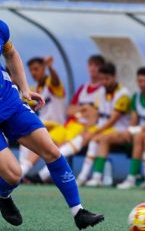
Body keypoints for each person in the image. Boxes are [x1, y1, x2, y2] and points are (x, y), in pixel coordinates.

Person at [0, 19, 103, 229]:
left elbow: (10, 54)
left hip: (10, 101)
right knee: (14, 176)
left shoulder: (1, 28)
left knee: (52, 151)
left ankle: (78, 212)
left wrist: (25, 89)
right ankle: (3, 195)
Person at [27, 54, 104, 183]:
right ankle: (22, 171)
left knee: (59, 146)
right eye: (91, 65)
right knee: (42, 142)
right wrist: (84, 108)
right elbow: (70, 110)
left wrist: (84, 112)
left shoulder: (103, 90)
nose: (93, 68)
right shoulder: (83, 88)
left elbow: (95, 114)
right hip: (68, 125)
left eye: (96, 65)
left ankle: (41, 176)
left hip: (80, 127)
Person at [88, 67, 145, 190]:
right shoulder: (136, 97)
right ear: (137, 81)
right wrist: (129, 131)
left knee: (138, 137)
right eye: (140, 81)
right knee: (104, 138)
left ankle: (131, 179)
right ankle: (97, 177)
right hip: (137, 131)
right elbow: (133, 120)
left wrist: (132, 131)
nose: (143, 84)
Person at [74, 63, 132, 186]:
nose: (104, 82)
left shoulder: (123, 94)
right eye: (102, 79)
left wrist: (95, 131)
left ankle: (95, 176)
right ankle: (83, 177)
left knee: (99, 138)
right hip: (103, 128)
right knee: (84, 137)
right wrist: (87, 128)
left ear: (114, 77)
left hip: (119, 130)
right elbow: (94, 114)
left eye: (107, 79)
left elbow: (112, 121)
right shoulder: (100, 92)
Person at [19, 56, 66, 178]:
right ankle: (22, 172)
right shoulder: (33, 89)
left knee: (40, 141)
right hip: (43, 127)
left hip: (58, 129)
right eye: (31, 70)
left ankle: (21, 173)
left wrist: (50, 67)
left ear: (44, 68)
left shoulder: (53, 84)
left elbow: (55, 80)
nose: (33, 73)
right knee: (23, 134)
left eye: (36, 69)